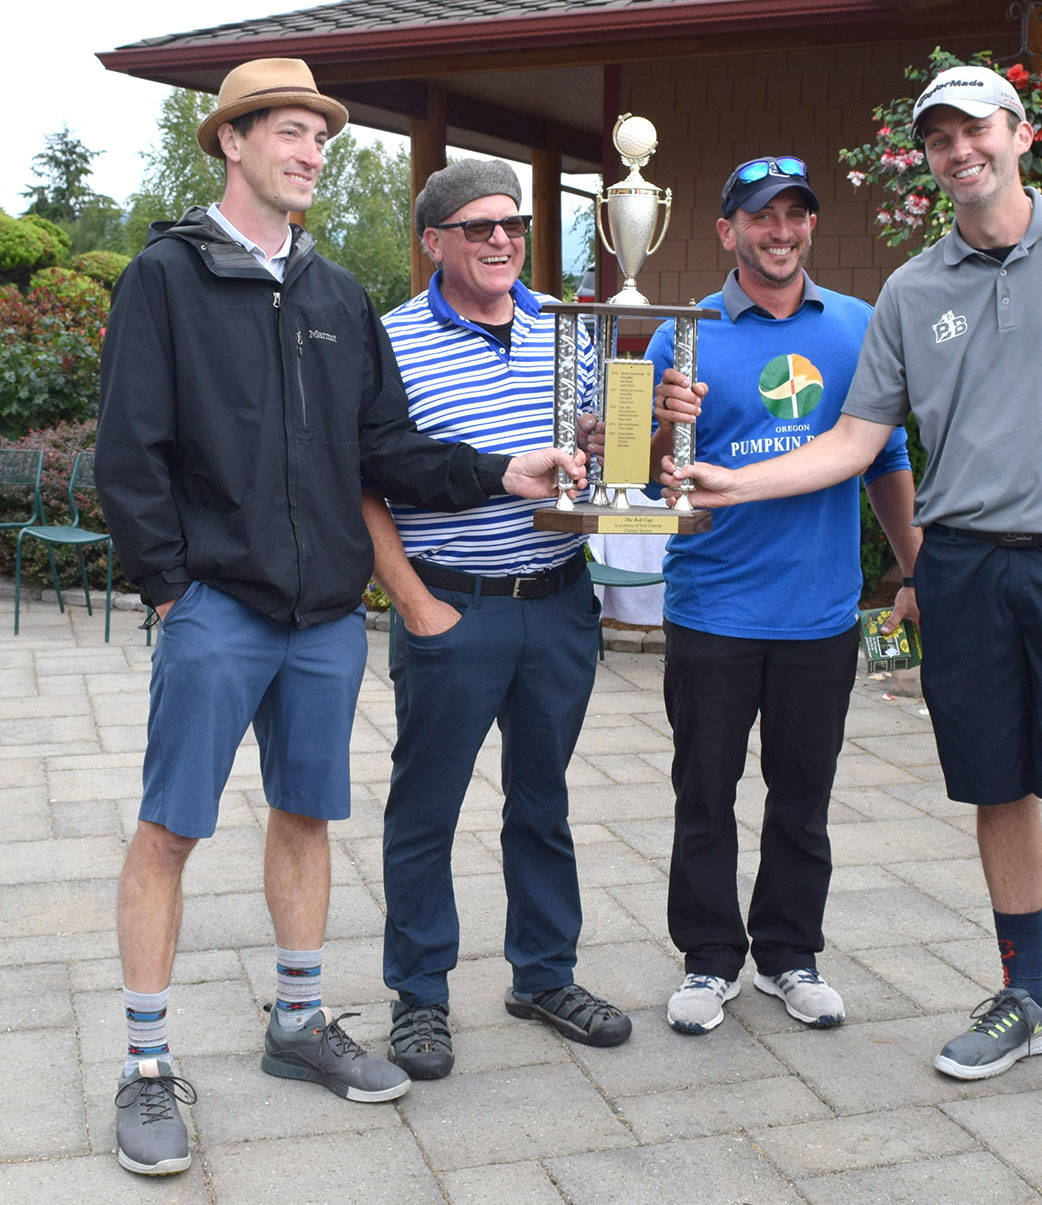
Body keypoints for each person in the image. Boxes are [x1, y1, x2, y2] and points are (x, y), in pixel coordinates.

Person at [660, 66, 1042, 1120]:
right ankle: (1024, 996)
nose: (957, 151)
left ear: (1018, 135)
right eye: (936, 137)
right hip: (966, 564)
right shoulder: (909, 292)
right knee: (995, 785)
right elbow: (853, 439)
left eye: (974, 129)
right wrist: (732, 478)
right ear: (925, 156)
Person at [96, 60, 586, 1178]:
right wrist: (172, 587)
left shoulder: (333, 295)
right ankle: (145, 1064)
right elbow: (128, 455)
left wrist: (504, 471)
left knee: (306, 815)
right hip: (218, 604)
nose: (313, 151)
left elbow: (384, 451)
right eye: (288, 133)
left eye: (322, 135)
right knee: (170, 827)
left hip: (324, 617)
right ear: (231, 142)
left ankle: (297, 1021)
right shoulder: (165, 277)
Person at [361, 159, 631, 1084]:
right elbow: (365, 481)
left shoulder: (569, 326)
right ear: (433, 240)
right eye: (476, 227)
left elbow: (600, 449)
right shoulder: (389, 339)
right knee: (426, 808)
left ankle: (545, 975)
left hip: (558, 603)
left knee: (543, 800)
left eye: (511, 224)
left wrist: (640, 439)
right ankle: (420, 997)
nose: (500, 240)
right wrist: (415, 603)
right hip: (454, 605)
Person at [649, 156, 921, 1035]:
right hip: (711, 609)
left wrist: (915, 569)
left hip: (820, 611)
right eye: (762, 218)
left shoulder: (857, 325)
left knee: (803, 795)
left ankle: (789, 953)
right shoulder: (682, 337)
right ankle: (708, 958)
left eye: (795, 216)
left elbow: (883, 458)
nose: (781, 232)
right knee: (705, 794)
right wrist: (659, 420)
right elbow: (653, 481)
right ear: (728, 230)